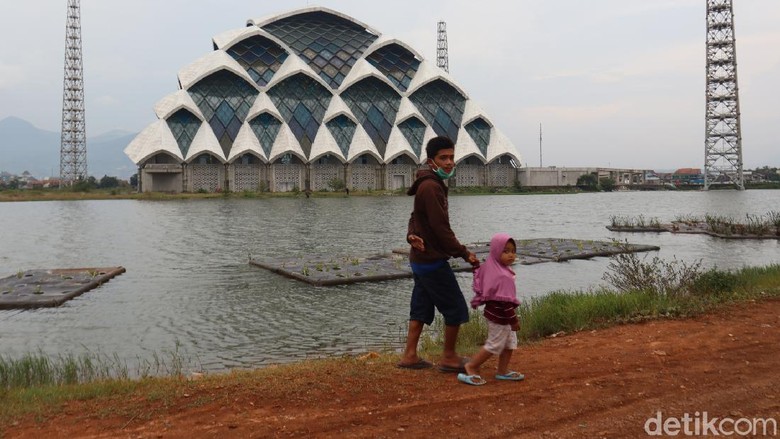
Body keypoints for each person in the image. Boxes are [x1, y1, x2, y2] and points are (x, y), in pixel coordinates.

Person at [397, 136, 480, 372]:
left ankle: (410, 355)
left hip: (420, 260)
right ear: (431, 161)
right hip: (432, 261)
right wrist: (464, 253)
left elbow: (416, 218)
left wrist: (411, 235)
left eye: (452, 157)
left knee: (421, 306)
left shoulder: (429, 184)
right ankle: (449, 357)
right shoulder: (432, 187)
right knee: (455, 308)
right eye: (443, 158)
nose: (449, 162)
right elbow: (441, 228)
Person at [457, 233, 525, 386]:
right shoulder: (503, 276)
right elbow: (506, 303)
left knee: (509, 343)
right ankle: (472, 366)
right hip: (500, 317)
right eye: (505, 251)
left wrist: (475, 264)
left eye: (513, 251)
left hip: (497, 314)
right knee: (494, 344)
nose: (511, 255)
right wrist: (513, 320)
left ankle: (502, 371)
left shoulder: (493, 267)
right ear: (496, 252)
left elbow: (479, 272)